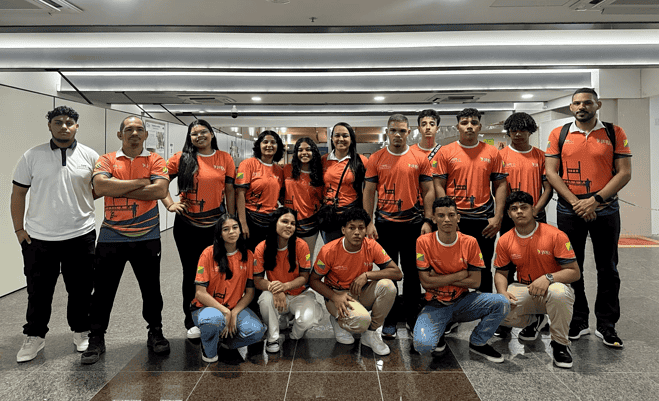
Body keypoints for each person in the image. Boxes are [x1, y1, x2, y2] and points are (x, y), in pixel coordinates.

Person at [545, 87, 632, 348]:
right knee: (572, 267)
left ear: (597, 105)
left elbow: (624, 172)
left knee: (608, 268)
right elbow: (551, 172)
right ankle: (578, 320)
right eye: (576, 103)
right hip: (569, 209)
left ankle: (607, 325)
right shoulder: (559, 134)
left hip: (605, 209)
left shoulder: (614, 133)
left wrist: (595, 200)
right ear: (571, 107)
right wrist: (576, 203)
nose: (581, 107)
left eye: (587, 102)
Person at [11, 106, 99, 362]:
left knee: (81, 289)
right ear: (49, 126)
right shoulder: (32, 156)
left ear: (76, 126)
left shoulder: (90, 155)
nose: (64, 126)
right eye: (58, 122)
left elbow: (99, 188)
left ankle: (81, 331)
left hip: (80, 235)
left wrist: (79, 200)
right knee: (38, 291)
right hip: (39, 238)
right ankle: (35, 336)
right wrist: (19, 229)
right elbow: (18, 194)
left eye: (69, 122)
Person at [81, 116, 171, 365]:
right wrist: (142, 183)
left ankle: (155, 331)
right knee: (102, 291)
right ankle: (96, 337)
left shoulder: (156, 160)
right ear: (120, 134)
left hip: (148, 235)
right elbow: (101, 188)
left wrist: (117, 186)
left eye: (139, 129)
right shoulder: (107, 159)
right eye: (129, 129)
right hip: (112, 235)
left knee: (151, 289)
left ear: (146, 135)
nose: (134, 133)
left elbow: (160, 191)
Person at [162, 119, 236, 340]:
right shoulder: (180, 158)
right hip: (187, 227)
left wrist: (232, 221)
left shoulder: (224, 158)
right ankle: (192, 318)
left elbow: (230, 191)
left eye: (204, 132)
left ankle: (220, 313)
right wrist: (169, 204)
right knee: (192, 273)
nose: (199, 136)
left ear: (212, 134)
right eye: (194, 134)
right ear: (190, 137)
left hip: (215, 226)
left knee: (219, 270)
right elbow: (160, 181)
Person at [413, 197, 510, 363]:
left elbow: (475, 282)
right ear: (434, 219)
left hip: (463, 301)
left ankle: (478, 341)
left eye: (451, 215)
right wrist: (459, 275)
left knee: (502, 303)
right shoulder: (423, 242)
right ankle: (440, 329)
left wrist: (438, 278)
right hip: (436, 304)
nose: (447, 219)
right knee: (423, 346)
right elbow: (426, 283)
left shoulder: (470, 242)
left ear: (458, 217)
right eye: (441, 215)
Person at [363, 113, 434, 336]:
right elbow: (369, 192)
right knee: (388, 273)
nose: (397, 135)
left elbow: (428, 190)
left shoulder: (419, 158)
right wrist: (369, 222)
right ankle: (390, 318)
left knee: (413, 273)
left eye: (402, 131)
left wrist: (428, 220)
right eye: (393, 130)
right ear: (387, 132)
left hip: (413, 225)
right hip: (385, 225)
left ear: (408, 132)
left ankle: (413, 317)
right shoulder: (376, 158)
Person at [494, 191, 580, 368]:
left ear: (533, 210)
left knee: (559, 292)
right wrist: (502, 293)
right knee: (497, 310)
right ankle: (536, 320)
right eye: (514, 209)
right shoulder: (505, 240)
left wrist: (548, 278)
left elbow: (574, 272)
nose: (519, 211)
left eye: (524, 207)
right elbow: (501, 273)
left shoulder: (555, 235)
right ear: (509, 214)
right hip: (526, 289)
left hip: (553, 289)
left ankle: (560, 344)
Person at [433, 108, 508, 293]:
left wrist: (498, 217)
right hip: (455, 219)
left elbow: (500, 185)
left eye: (474, 123)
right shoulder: (445, 152)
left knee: (482, 266)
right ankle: (454, 304)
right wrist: (447, 217)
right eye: (464, 123)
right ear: (458, 126)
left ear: (479, 126)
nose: (469, 126)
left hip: (484, 220)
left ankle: (485, 305)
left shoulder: (492, 152)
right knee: (452, 266)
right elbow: (439, 185)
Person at [309, 208, 402, 356]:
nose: (357, 232)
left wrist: (367, 275)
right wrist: (335, 297)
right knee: (361, 321)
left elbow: (397, 273)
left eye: (361, 228)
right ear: (343, 230)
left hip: (361, 291)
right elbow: (313, 280)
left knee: (388, 287)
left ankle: (371, 334)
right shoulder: (329, 250)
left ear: (366, 230)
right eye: (351, 228)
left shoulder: (371, 245)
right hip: (338, 295)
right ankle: (338, 320)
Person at [495, 112, 553, 337]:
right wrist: (505, 213)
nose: (518, 134)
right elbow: (498, 189)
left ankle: (536, 317)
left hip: (536, 216)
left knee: (536, 265)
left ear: (530, 131)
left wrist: (535, 210)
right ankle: (506, 314)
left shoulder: (540, 156)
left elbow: (548, 188)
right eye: (513, 130)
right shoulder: (500, 155)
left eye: (523, 130)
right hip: (509, 218)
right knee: (507, 265)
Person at [189, 214, 266, 363]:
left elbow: (250, 292)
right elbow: (200, 293)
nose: (231, 232)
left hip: (234, 308)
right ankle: (208, 343)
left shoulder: (248, 255)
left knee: (257, 331)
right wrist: (225, 312)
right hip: (207, 308)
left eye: (235, 227)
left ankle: (223, 343)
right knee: (213, 321)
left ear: (240, 230)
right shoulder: (208, 253)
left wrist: (234, 312)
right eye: (226, 229)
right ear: (219, 233)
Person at [254, 207, 323, 353]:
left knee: (307, 321)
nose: (289, 226)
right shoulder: (262, 247)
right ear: (275, 223)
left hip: (300, 294)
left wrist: (284, 286)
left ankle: (293, 333)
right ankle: (273, 338)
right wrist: (275, 288)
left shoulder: (301, 245)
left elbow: (304, 277)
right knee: (265, 299)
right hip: (278, 295)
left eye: (292, 223)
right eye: (284, 221)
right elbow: (258, 281)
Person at [235, 130, 285, 251]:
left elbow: (281, 196)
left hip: (271, 221)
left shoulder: (279, 170)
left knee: (267, 255)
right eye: (265, 142)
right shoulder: (247, 164)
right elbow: (239, 194)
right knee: (249, 255)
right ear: (259, 145)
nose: (269, 145)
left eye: (273, 142)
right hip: (250, 218)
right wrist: (242, 223)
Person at [321, 122, 367, 243]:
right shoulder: (324, 160)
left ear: (351, 139)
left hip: (352, 215)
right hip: (330, 215)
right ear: (332, 138)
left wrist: (368, 219)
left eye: (345, 136)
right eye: (337, 135)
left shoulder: (361, 161)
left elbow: (369, 191)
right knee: (332, 249)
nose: (341, 139)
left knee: (352, 249)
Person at [282, 138, 324, 255]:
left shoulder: (319, 174)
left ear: (313, 152)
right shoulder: (287, 169)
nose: (304, 153)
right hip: (289, 222)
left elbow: (321, 198)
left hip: (310, 223)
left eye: (308, 149)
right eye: (300, 150)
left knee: (307, 257)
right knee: (288, 257)